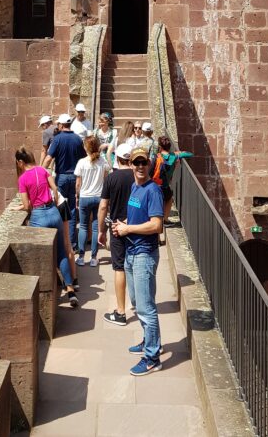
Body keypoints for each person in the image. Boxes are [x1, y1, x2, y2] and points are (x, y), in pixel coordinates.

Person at [111, 149, 168, 375]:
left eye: (144, 162)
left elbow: (156, 225)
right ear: (131, 165)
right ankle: (150, 341)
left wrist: (128, 229)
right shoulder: (135, 187)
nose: (141, 166)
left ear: (149, 164)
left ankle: (152, 358)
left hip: (144, 254)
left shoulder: (152, 190)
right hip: (131, 251)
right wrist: (123, 224)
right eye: (137, 163)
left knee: (146, 308)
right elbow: (137, 215)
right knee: (137, 302)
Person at [14, 148, 77, 302]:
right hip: (54, 213)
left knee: (38, 253)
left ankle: (42, 294)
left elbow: (26, 205)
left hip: (39, 216)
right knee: (61, 252)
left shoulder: (22, 179)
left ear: (21, 162)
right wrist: (53, 202)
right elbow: (54, 188)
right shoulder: (42, 170)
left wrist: (20, 208)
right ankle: (70, 290)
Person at [99, 146, 136, 319]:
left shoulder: (111, 178)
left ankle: (121, 312)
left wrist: (101, 230)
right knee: (136, 265)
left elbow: (103, 206)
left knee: (119, 268)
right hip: (137, 225)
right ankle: (138, 302)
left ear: (118, 158)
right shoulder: (138, 176)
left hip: (116, 228)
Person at [74, 135, 106, 266]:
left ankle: (81, 257)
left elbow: (78, 184)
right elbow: (105, 179)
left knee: (83, 226)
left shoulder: (81, 162)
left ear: (86, 147)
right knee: (95, 227)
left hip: (85, 196)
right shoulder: (102, 161)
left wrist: (77, 196)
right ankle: (93, 258)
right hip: (98, 197)